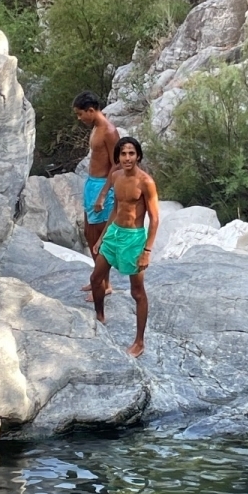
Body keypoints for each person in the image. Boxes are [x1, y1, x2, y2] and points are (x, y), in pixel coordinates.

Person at [90, 136, 159, 358]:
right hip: (114, 234)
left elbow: (154, 219)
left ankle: (139, 342)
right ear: (118, 157)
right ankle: (100, 317)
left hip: (133, 238)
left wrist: (146, 251)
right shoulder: (116, 176)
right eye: (123, 154)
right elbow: (116, 209)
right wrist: (102, 237)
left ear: (138, 156)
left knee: (137, 292)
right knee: (95, 279)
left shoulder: (146, 182)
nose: (127, 158)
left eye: (131, 153)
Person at [73, 91, 120, 301]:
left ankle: (103, 285)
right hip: (91, 184)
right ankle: (99, 280)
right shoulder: (96, 127)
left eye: (80, 114)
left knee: (100, 238)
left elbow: (117, 165)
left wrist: (103, 195)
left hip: (103, 187)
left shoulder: (109, 131)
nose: (79, 118)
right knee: (89, 233)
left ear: (91, 110)